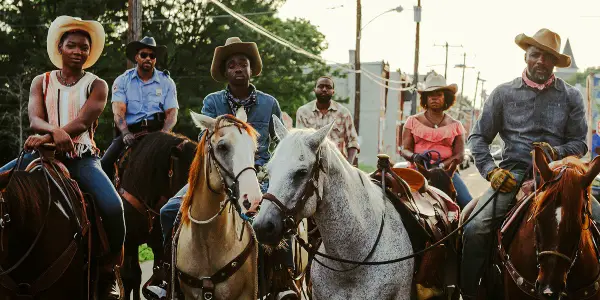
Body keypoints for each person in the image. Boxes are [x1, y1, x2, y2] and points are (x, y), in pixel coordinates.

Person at [152, 37, 297, 300]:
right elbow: (203, 144)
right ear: (225, 72)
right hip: (218, 173)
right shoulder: (212, 103)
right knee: (168, 210)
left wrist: (270, 171)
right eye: (232, 64)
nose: (238, 68)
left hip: (257, 175)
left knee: (276, 218)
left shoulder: (269, 103)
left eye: (243, 63)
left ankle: (282, 279)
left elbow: (281, 142)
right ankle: (165, 276)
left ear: (252, 69)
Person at [463, 28, 600, 299]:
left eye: (548, 57)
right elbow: (478, 137)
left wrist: (555, 151)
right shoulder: (502, 94)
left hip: (560, 173)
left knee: (599, 219)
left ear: (554, 64)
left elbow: (579, 143)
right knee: (474, 228)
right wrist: (491, 171)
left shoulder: (571, 96)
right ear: (526, 56)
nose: (541, 61)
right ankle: (469, 292)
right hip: (513, 171)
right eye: (536, 54)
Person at [0, 16, 125, 299]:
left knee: (113, 206)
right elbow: (34, 119)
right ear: (60, 47)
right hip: (39, 154)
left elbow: (82, 122)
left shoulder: (98, 85)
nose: (78, 52)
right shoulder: (40, 81)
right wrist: (50, 135)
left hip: (80, 157)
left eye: (84, 47)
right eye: (72, 46)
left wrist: (49, 135)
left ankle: (109, 271)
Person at [100, 36, 178, 178]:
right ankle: (107, 199)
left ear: (155, 59)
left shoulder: (167, 82)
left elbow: (172, 113)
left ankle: (183, 199)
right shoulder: (122, 80)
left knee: (183, 161)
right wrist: (125, 132)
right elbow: (118, 112)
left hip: (158, 131)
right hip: (131, 133)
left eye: (152, 56)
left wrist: (164, 133)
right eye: (144, 55)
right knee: (104, 164)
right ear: (136, 57)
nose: (148, 58)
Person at [399, 72, 473, 208]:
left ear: (446, 98)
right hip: (416, 171)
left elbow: (460, 155)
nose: (434, 98)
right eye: (430, 95)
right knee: (396, 203)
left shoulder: (456, 125)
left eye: (438, 94)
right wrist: (415, 156)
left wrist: (440, 167)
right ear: (425, 99)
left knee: (468, 204)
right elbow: (405, 150)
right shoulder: (412, 121)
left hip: (446, 174)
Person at [296, 76, 360, 164]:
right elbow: (301, 142)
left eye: (328, 87)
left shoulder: (343, 113)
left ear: (333, 92)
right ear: (314, 89)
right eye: (321, 86)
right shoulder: (303, 112)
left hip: (338, 166)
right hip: (312, 166)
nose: (324, 89)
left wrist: (348, 166)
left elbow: (353, 142)